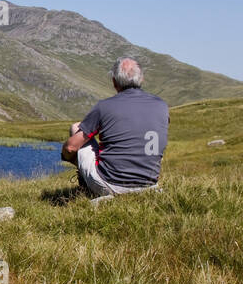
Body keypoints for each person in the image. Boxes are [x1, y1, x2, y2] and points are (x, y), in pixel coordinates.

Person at [61, 57, 168, 198]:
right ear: (142, 79)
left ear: (114, 82)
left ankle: (87, 187)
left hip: (110, 184)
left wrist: (69, 158)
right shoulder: (161, 106)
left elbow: (71, 147)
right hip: (149, 183)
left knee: (76, 128)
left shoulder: (104, 107)